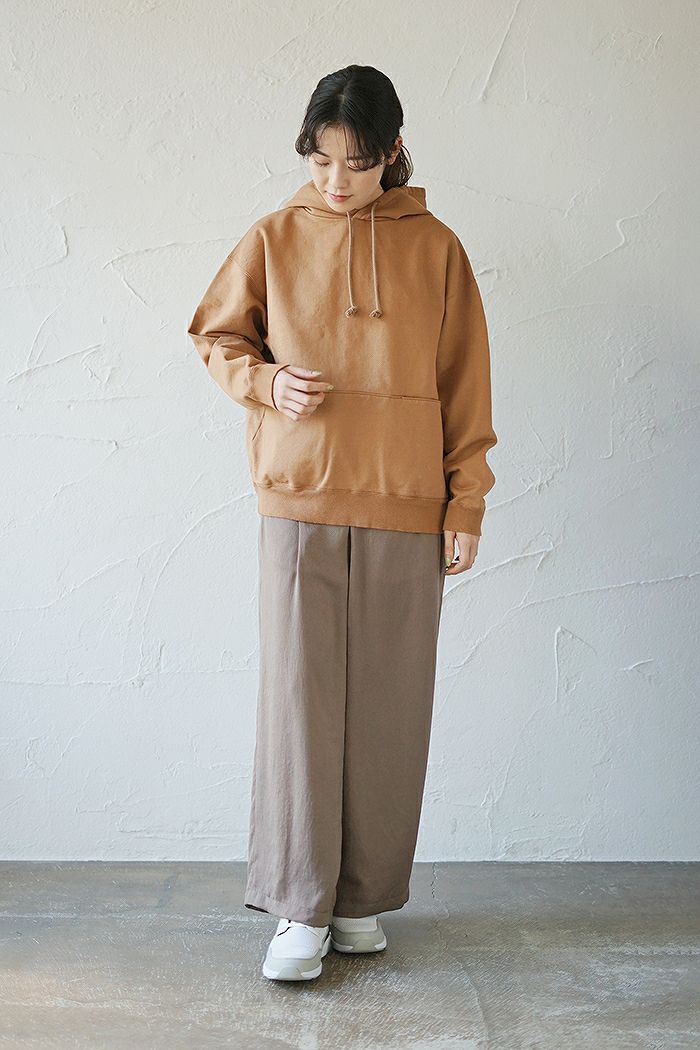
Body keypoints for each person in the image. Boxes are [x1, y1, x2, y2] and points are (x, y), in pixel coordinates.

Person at [187, 64, 497, 982]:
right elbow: (216, 335)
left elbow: (465, 385)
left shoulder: (437, 248)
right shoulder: (275, 237)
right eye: (320, 161)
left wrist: (466, 502)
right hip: (300, 499)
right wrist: (265, 382)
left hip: (406, 503)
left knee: (391, 710)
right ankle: (298, 905)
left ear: (393, 152)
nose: (335, 182)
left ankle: (358, 899)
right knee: (299, 705)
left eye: (356, 164)